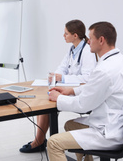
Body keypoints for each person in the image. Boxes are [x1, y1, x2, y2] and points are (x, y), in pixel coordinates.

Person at [47, 21, 123, 161]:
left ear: (101, 40)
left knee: (53, 143)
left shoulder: (105, 70)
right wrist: (71, 91)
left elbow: (83, 105)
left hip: (108, 132)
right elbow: (95, 86)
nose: (88, 41)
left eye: (90, 38)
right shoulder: (121, 60)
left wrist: (58, 98)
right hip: (119, 125)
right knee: (70, 125)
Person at [19, 19, 97, 153]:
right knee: (45, 101)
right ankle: (40, 140)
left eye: (66, 33)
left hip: (80, 91)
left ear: (75, 35)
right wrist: (56, 75)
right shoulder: (72, 48)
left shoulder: (87, 51)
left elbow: (87, 78)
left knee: (47, 104)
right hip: (69, 87)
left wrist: (64, 78)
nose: (63, 36)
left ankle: (39, 141)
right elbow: (63, 66)